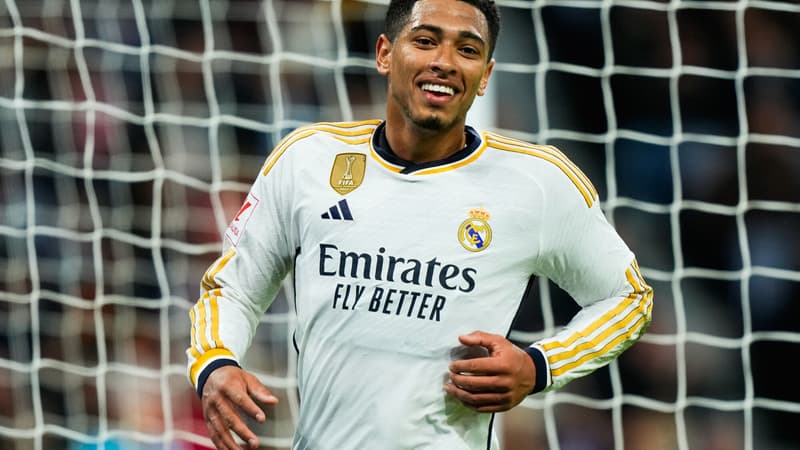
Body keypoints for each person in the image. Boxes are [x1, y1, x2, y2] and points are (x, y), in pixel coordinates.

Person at [186, 0, 654, 449]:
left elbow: (628, 297)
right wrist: (216, 363)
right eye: (426, 41)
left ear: (485, 76)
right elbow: (233, 287)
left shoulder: (538, 182)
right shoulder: (307, 159)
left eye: (467, 49)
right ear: (385, 54)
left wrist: (540, 366)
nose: (445, 62)